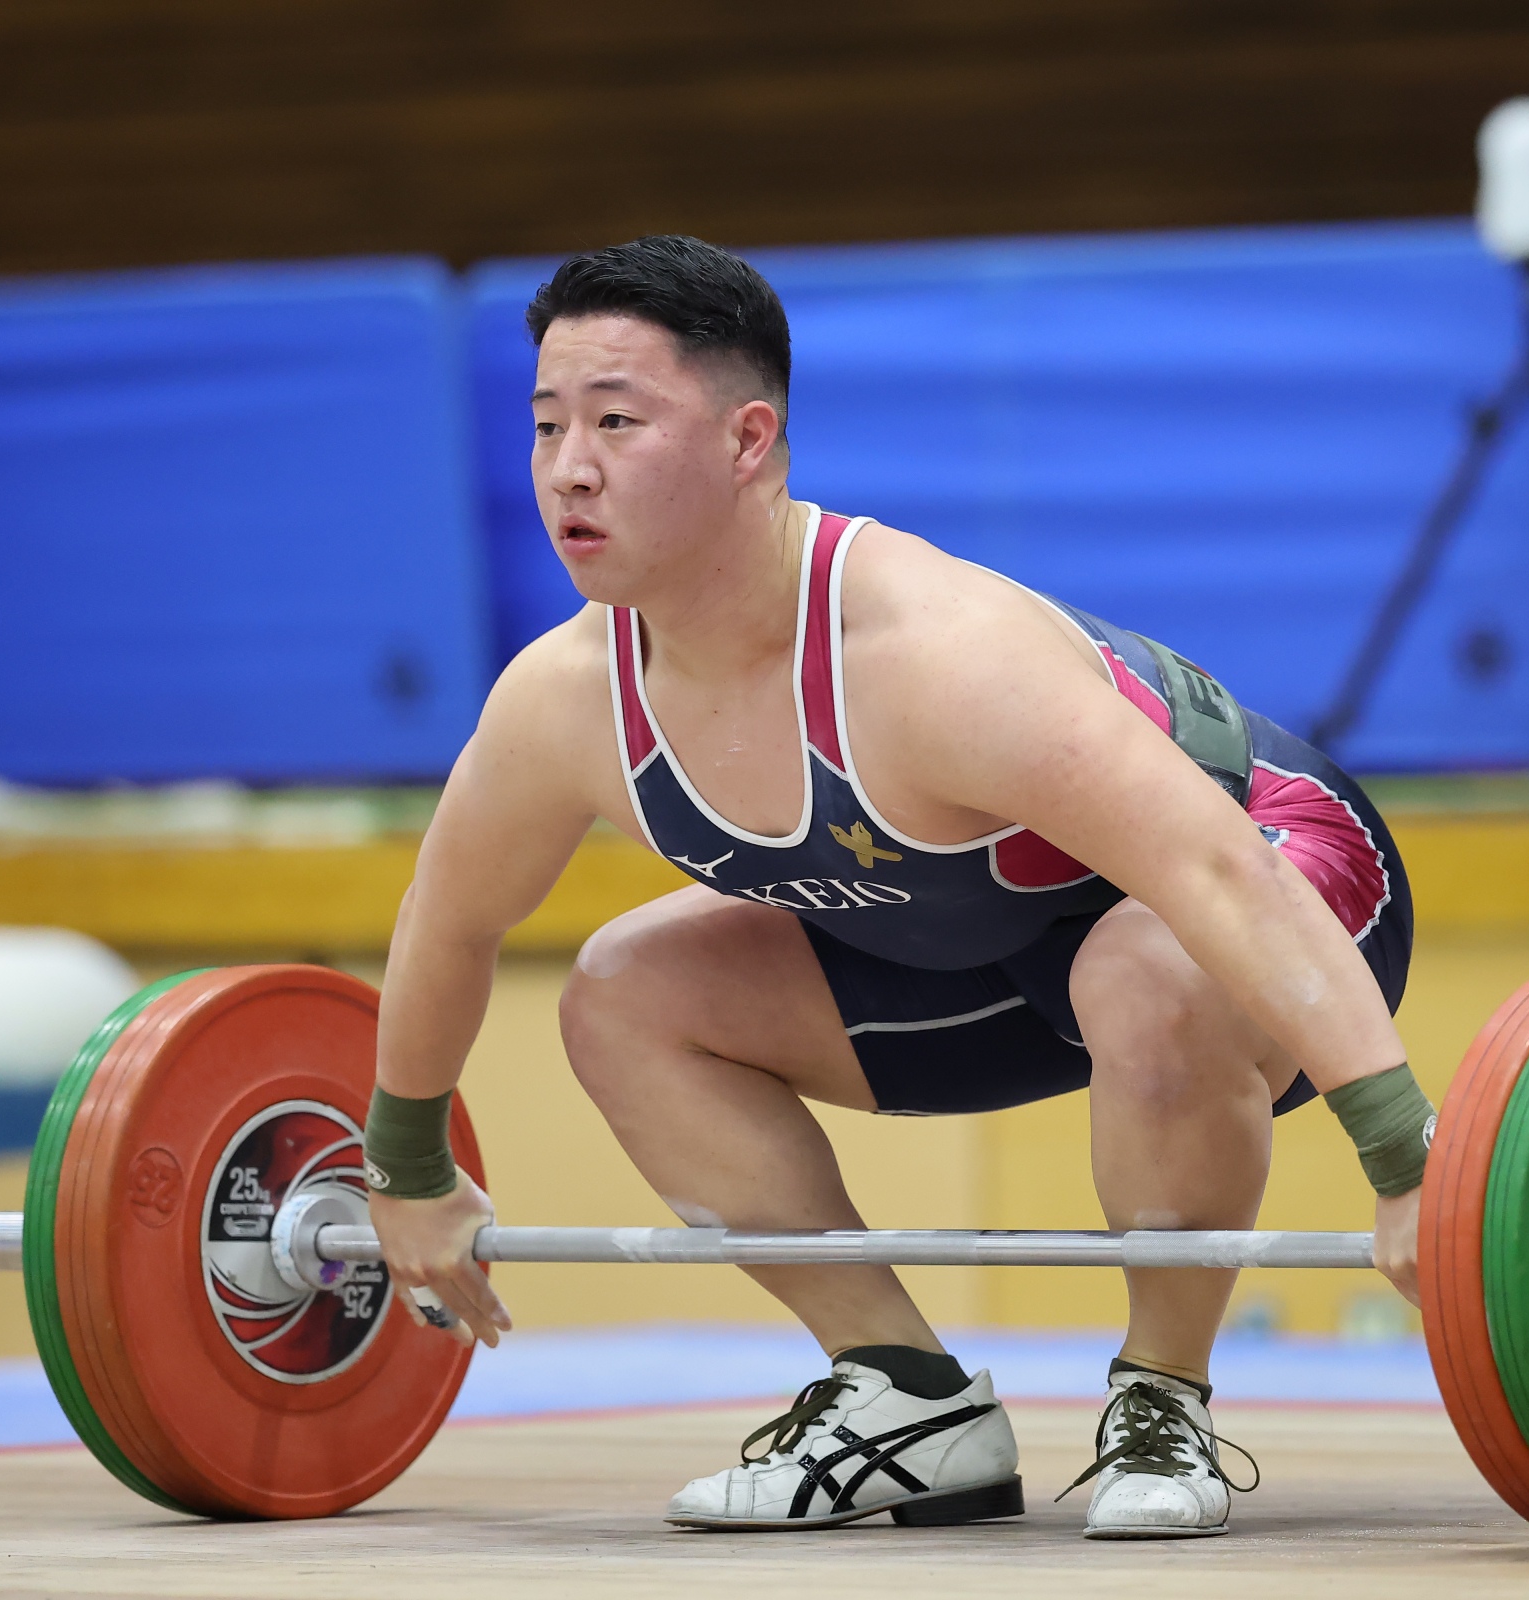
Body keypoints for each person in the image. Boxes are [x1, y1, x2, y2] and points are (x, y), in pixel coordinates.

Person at [365, 235, 1428, 1540]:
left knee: (1145, 965)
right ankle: (907, 1396)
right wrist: (405, 1165)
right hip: (977, 947)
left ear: (749, 440)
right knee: (622, 993)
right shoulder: (562, 702)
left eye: (616, 421)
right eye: (546, 425)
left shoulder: (933, 654)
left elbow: (1215, 869)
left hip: (1285, 877)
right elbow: (451, 921)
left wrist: (1405, 1155)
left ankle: (1164, 1397)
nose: (567, 467)